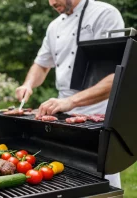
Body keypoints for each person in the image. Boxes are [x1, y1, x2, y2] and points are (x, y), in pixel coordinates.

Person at [15, 0, 124, 188]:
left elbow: (118, 75)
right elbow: (41, 64)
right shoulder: (54, 26)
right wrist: (28, 84)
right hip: (63, 110)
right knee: (65, 172)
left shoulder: (105, 14)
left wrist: (70, 101)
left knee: (102, 181)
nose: (52, 2)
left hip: (98, 109)